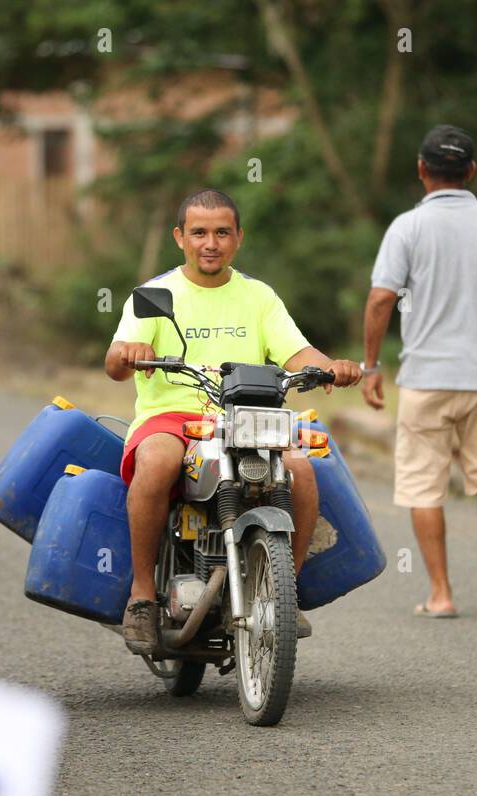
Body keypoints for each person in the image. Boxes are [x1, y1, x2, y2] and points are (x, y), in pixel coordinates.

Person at [105, 188, 362, 653]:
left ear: (238, 238)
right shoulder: (154, 294)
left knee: (301, 471)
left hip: (247, 417)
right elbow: (115, 362)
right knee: (158, 462)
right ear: (179, 237)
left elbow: (296, 352)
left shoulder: (258, 296)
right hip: (172, 417)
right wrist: (131, 352)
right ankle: (142, 596)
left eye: (222, 232)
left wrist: (331, 365)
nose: (211, 242)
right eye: (199, 232)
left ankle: (284, 593)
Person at [360, 124, 477, 618]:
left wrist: (371, 366)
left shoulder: (407, 227)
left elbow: (382, 298)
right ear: (470, 171)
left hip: (426, 378)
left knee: (424, 484)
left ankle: (441, 594)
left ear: (422, 170)